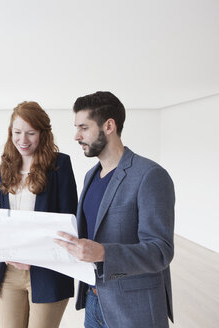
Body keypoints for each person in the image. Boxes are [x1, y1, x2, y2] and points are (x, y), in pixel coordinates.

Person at [55, 91, 175, 328]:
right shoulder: (91, 175)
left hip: (134, 309)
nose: (76, 136)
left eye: (83, 127)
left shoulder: (150, 176)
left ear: (109, 125)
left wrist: (103, 253)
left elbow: (160, 251)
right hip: (94, 302)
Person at [0, 101, 78, 328]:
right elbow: (3, 215)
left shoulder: (60, 165)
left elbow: (68, 221)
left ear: (43, 133)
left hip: (47, 270)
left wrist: (36, 256)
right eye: (17, 132)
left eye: (31, 133)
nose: (23, 140)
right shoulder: (6, 165)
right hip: (10, 271)